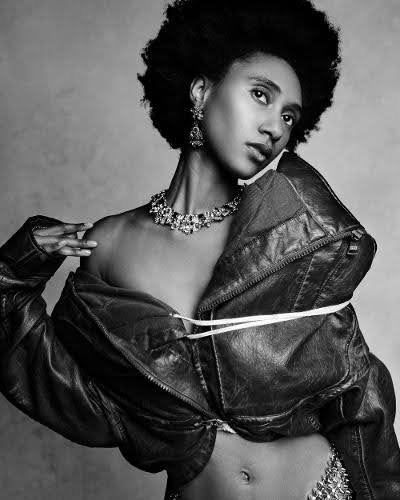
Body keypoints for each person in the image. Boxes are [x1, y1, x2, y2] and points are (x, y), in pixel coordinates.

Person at [0, 0, 399, 499]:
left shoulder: (288, 234)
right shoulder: (110, 246)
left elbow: (358, 390)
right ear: (201, 90)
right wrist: (17, 266)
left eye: (289, 116)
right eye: (260, 95)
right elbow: (62, 387)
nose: (276, 127)